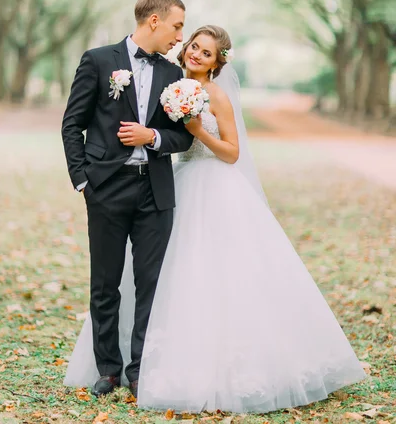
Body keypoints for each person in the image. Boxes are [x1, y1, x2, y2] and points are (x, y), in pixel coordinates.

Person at [65, 25, 366, 414]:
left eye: (206, 53)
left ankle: (199, 363)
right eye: (194, 46)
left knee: (211, 274)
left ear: (218, 61)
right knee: (164, 274)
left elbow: (231, 152)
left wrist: (194, 131)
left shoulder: (218, 95)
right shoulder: (170, 82)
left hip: (216, 187)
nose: (196, 55)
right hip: (174, 187)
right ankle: (124, 363)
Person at [61, 0, 193, 398]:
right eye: (176, 26)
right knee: (105, 282)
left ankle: (141, 370)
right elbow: (72, 124)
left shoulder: (175, 77)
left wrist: (152, 135)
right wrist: (83, 179)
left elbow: (183, 138)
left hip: (155, 190)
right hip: (106, 188)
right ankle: (109, 370)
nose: (179, 37)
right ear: (154, 21)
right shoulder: (99, 61)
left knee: (152, 283)